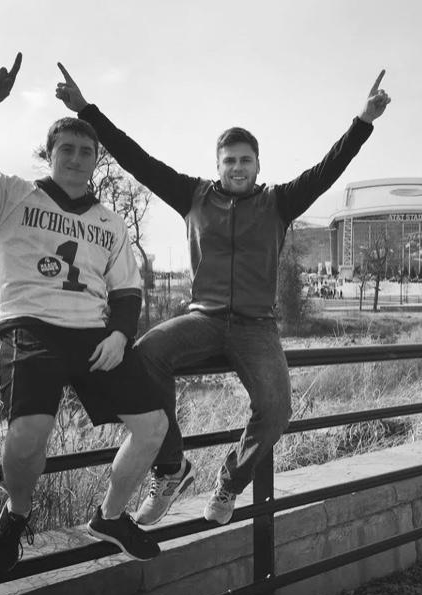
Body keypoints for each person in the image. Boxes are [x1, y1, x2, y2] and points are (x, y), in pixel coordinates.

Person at [55, 63, 391, 525]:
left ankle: (229, 483)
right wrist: (86, 110)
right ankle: (171, 468)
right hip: (204, 319)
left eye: (245, 160)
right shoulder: (192, 196)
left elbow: (328, 169)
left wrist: (364, 121)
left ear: (258, 165)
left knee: (276, 410)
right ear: (218, 166)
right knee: (147, 353)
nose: (237, 167)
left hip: (256, 326)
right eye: (229, 160)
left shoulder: (280, 202)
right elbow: (137, 159)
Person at [0, 54, 173, 572]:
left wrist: (121, 334)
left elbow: (126, 290)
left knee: (153, 425)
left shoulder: (110, 222)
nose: (76, 158)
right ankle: (16, 512)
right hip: (32, 328)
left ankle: (111, 517)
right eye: (65, 149)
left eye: (86, 151)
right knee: (28, 435)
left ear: (96, 161)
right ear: (49, 155)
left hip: (94, 334)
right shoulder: (11, 195)